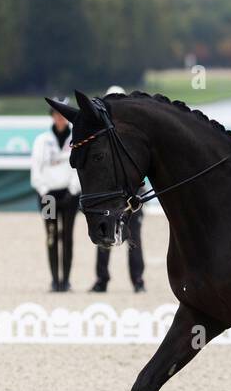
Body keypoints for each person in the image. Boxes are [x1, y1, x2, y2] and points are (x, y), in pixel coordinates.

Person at [91, 85, 146, 293]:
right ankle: (102, 279)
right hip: (110, 192)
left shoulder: (132, 132)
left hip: (131, 193)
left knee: (133, 238)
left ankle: (137, 280)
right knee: (105, 234)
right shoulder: (102, 134)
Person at [30, 98, 81, 292]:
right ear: (51, 116)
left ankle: (66, 280)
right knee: (52, 236)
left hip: (69, 194)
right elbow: (36, 169)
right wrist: (44, 191)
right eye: (56, 114)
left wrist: (73, 189)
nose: (59, 118)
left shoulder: (75, 138)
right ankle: (54, 280)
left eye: (62, 115)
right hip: (48, 196)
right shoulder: (42, 141)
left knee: (67, 236)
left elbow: (78, 168)